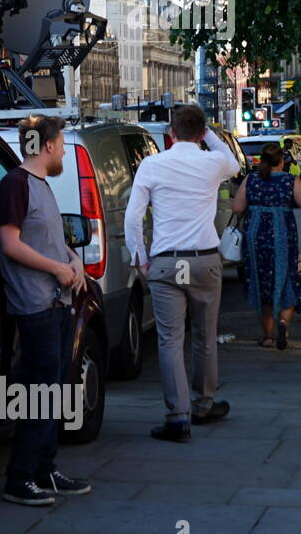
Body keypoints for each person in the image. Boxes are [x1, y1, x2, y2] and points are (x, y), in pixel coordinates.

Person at [125, 104, 239, 442]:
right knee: (205, 336)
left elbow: (134, 217)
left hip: (167, 263)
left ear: (170, 134)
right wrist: (212, 136)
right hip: (203, 261)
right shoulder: (213, 161)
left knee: (170, 340)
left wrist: (140, 257)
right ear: (202, 133)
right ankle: (203, 404)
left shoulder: (152, 164)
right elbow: (232, 162)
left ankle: (177, 417)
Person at [0, 114, 92, 506]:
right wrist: (57, 269)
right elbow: (10, 244)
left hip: (56, 303)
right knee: (40, 394)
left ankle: (44, 469)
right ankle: (19, 479)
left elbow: (50, 240)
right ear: (47, 145)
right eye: (63, 142)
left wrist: (73, 260)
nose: (64, 148)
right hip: (35, 306)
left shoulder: (41, 186)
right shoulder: (15, 185)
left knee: (55, 391)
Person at [233, 143, 301, 348]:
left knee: (262, 282)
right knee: (288, 276)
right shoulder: (291, 180)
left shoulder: (251, 179)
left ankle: (268, 336)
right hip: (283, 235)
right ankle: (283, 322)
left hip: (256, 236)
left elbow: (237, 208)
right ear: (282, 161)